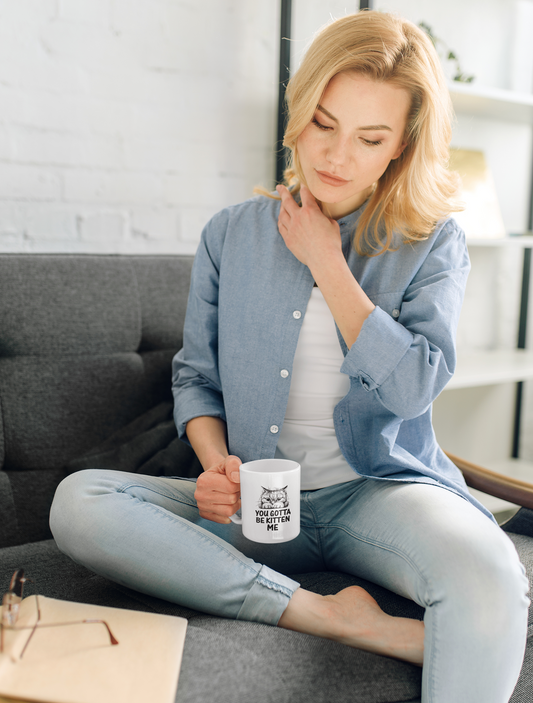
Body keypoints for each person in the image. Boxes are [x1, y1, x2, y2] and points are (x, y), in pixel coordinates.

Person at [50, 10, 529, 702]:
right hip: (260, 505)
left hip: (379, 494)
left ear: (398, 147)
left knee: (490, 571)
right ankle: (330, 617)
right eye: (323, 124)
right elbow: (196, 377)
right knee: (80, 502)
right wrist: (215, 462)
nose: (335, 156)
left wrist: (327, 263)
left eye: (369, 139)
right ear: (298, 112)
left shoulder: (432, 243)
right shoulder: (231, 235)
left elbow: (412, 388)